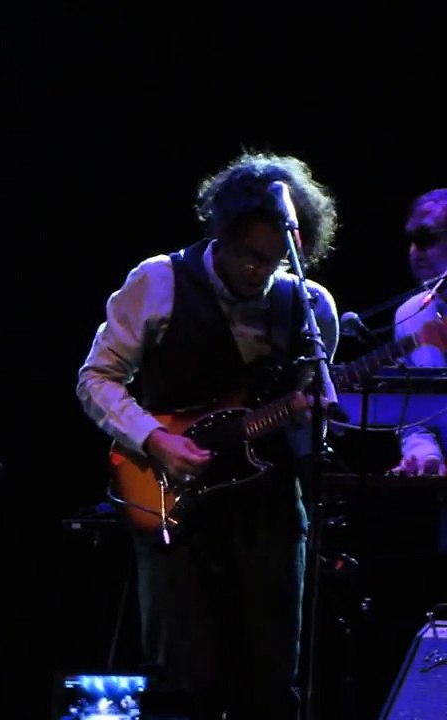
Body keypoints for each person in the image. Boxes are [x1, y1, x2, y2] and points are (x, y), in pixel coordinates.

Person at [74, 151, 341, 719]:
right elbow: (97, 378)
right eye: (247, 254)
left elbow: (308, 411)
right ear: (222, 232)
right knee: (185, 681)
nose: (257, 271)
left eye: (271, 261)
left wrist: (309, 413)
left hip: (268, 511)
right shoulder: (158, 281)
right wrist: (154, 438)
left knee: (270, 681)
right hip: (175, 504)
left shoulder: (311, 306)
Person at [393, 188, 447, 476]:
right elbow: (414, 411)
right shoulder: (409, 314)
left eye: (425, 240)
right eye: (411, 240)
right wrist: (424, 454)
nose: (414, 252)